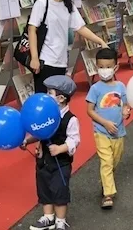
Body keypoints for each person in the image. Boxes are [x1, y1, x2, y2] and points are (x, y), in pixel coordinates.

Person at [28, 0, 108, 93]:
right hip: (45, 60)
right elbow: (32, 29)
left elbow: (80, 27)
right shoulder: (43, 3)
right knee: (43, 98)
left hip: (61, 60)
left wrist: (100, 41)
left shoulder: (68, 5)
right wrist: (34, 58)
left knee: (59, 99)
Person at [22, 75, 80, 230]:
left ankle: (61, 220)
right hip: (43, 160)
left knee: (59, 191)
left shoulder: (70, 119)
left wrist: (61, 148)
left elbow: (74, 139)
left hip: (61, 163)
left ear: (61, 98)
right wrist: (28, 140)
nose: (46, 96)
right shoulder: (45, 115)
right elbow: (40, 132)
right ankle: (48, 217)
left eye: (50, 93)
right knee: (44, 188)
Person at [86, 48, 130, 209]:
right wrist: (104, 123)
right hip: (101, 132)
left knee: (114, 161)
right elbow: (89, 110)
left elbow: (125, 105)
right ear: (96, 67)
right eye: (101, 67)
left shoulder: (120, 87)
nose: (104, 70)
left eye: (108, 66)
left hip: (119, 132)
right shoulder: (95, 88)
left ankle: (107, 182)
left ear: (115, 67)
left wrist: (126, 111)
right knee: (106, 161)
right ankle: (108, 195)